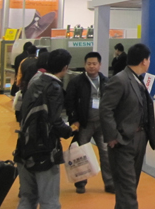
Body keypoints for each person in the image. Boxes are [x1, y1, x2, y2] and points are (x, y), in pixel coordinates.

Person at [15, 49, 77, 209]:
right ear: (65, 67)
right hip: (45, 149)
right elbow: (54, 121)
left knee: (27, 199)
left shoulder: (35, 81)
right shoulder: (54, 88)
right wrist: (69, 130)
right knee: (49, 201)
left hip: (24, 145)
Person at [100, 43, 155, 209]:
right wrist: (113, 137)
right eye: (149, 59)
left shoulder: (137, 80)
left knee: (129, 187)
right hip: (123, 141)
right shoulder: (120, 80)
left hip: (139, 138)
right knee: (127, 190)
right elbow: (105, 109)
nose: (149, 62)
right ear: (144, 61)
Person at [65, 52, 114, 194]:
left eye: (94, 64)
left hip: (102, 124)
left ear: (100, 65)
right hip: (84, 124)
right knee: (80, 154)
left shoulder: (106, 82)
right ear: (85, 64)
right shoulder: (76, 82)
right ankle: (80, 182)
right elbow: (69, 102)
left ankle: (110, 183)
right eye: (89, 64)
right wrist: (74, 120)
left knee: (106, 154)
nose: (91, 66)